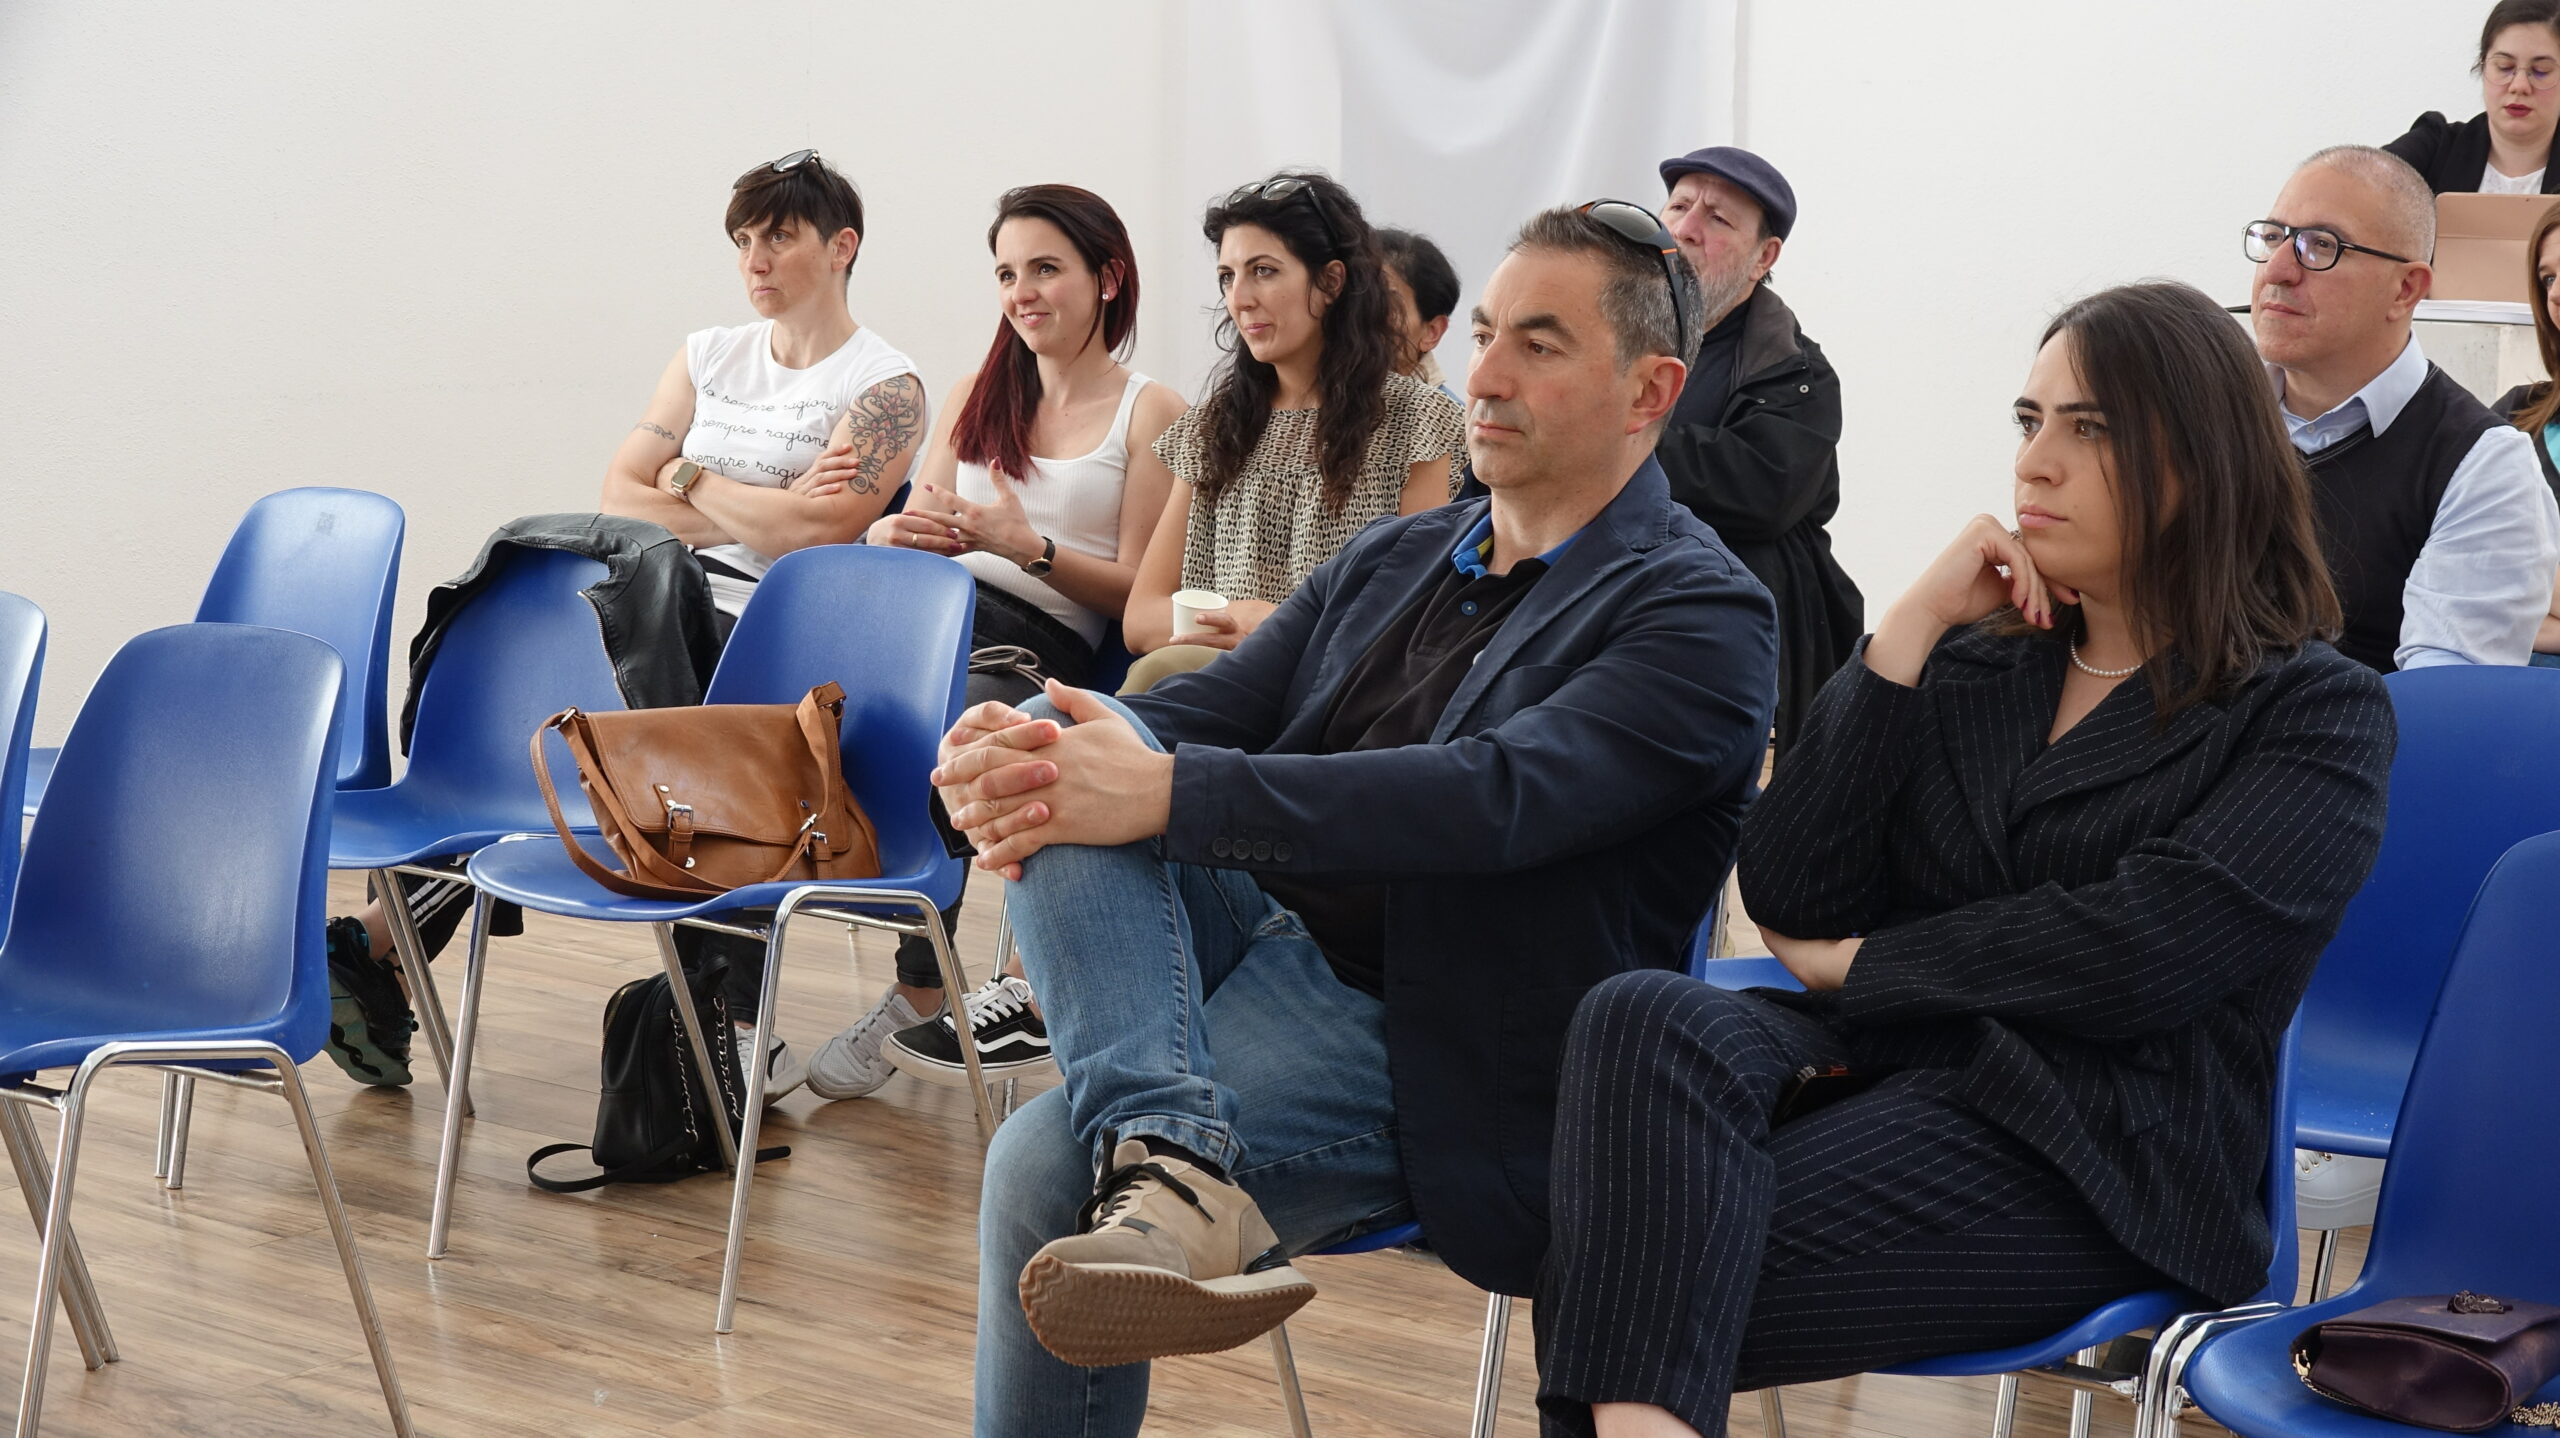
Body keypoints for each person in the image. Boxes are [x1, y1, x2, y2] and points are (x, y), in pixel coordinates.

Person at [938, 205, 1776, 1438]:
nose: (1483, 377)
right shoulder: (1399, 559)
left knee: (1040, 1166)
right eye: (1484, 334)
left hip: (1448, 1029)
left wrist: (1165, 789)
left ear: (1651, 390)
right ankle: (1171, 1154)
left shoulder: (1704, 614)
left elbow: (1491, 797)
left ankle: (1165, 1163)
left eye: (1539, 345)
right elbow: (1201, 712)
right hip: (1277, 941)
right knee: (1061, 749)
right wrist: (1009, 750)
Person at [1535, 280, 2397, 1438]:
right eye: (2029, 420)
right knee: (1641, 1013)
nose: (2035, 461)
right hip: (1890, 1071)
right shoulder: (1973, 664)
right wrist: (1904, 633)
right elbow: (1791, 889)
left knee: (1620, 1258)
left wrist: (1867, 966)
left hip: (2100, 1151)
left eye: (2089, 428)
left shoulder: (2313, 710)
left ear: (2202, 462)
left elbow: (2142, 950)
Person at [319, 151, 928, 1099]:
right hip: (654, 606)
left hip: (778, 634)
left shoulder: (886, 387)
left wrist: (684, 479)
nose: (755, 259)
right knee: (539, 724)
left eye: (779, 236)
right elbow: (620, 498)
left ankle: (387, 948)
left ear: (842, 246)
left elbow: (818, 534)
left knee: (649, 745)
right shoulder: (708, 355)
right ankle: (386, 948)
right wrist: (749, 500)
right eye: (743, 240)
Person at [798, 184, 1185, 1102]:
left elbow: (1140, 593)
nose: (1022, 292)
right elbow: (921, 520)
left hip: (1034, 645)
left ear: (1109, 279)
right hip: (929, 615)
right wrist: (889, 532)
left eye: (1045, 269)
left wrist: (1029, 548)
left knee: (949, 730)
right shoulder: (978, 392)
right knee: (799, 721)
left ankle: (921, 985)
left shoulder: (1151, 412)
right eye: (1008, 273)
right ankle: (754, 1003)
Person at [1118, 172, 1466, 692]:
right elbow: (1142, 617)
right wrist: (1238, 618)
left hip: (1335, 692)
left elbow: (1410, 614)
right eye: (1227, 276)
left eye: (1263, 271)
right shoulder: (1212, 428)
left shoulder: (1417, 420)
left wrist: (1279, 627)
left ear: (1331, 282)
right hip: (1207, 681)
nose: (1239, 298)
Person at [2248, 144, 2559, 672]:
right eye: (2274, 237)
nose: (2277, 269)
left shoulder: (2479, 463)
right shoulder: (2200, 419)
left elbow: (2441, 694)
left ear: (2406, 289)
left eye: (2321, 246)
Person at [1652, 147, 1862, 754]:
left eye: (1718, 218)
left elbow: (1761, 487)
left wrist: (1609, 437)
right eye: (1679, 207)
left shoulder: (1798, 372)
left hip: (1733, 648)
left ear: (1763, 257)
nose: (1687, 228)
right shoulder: (1606, 337)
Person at [2384, 0, 2560, 194]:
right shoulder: (2435, 147)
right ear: (2483, 66)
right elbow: (2363, 183)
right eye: (2504, 67)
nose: (2519, 86)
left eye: (2541, 70)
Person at [2488, 200, 2560, 664]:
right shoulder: (2516, 413)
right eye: (2548, 278)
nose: (2556, 294)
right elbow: (2463, 574)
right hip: (2512, 676)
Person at [1377, 226, 1462, 399]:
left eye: (1387, 305)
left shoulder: (1441, 414)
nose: (1362, 314)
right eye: (1356, 299)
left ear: (1432, 332)